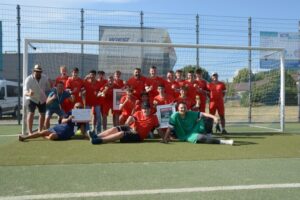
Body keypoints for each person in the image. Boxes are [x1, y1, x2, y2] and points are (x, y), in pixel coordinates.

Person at [162, 102, 233, 145]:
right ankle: (224, 142)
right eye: (181, 108)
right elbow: (169, 128)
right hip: (185, 136)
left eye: (184, 107)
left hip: (193, 130)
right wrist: (165, 138)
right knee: (201, 138)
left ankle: (208, 135)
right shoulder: (174, 116)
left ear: (186, 108)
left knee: (207, 117)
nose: (183, 109)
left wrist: (214, 117)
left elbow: (203, 113)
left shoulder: (190, 113)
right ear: (178, 109)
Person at [88, 102, 160, 144]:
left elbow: (158, 129)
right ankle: (96, 136)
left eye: (147, 108)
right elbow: (131, 118)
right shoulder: (138, 113)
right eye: (144, 108)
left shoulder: (154, 117)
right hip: (130, 128)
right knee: (114, 128)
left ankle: (100, 140)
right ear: (142, 109)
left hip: (138, 136)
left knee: (121, 133)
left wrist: (164, 138)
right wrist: (127, 125)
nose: (146, 110)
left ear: (150, 109)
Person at [19, 102, 86, 141]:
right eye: (77, 107)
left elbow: (82, 132)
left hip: (64, 133)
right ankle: (25, 137)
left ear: (82, 108)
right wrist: (68, 119)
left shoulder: (82, 117)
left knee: (52, 136)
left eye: (80, 107)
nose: (78, 109)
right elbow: (62, 121)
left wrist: (81, 123)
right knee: (43, 132)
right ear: (74, 107)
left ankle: (45, 136)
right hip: (58, 128)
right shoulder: (70, 112)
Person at [24, 64, 51, 134]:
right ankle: (30, 132)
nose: (38, 72)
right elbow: (25, 91)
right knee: (31, 113)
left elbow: (49, 87)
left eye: (39, 71)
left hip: (41, 99)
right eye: (36, 71)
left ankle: (40, 130)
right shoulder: (28, 79)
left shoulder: (45, 78)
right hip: (31, 98)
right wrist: (29, 93)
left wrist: (51, 83)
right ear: (33, 71)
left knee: (42, 114)